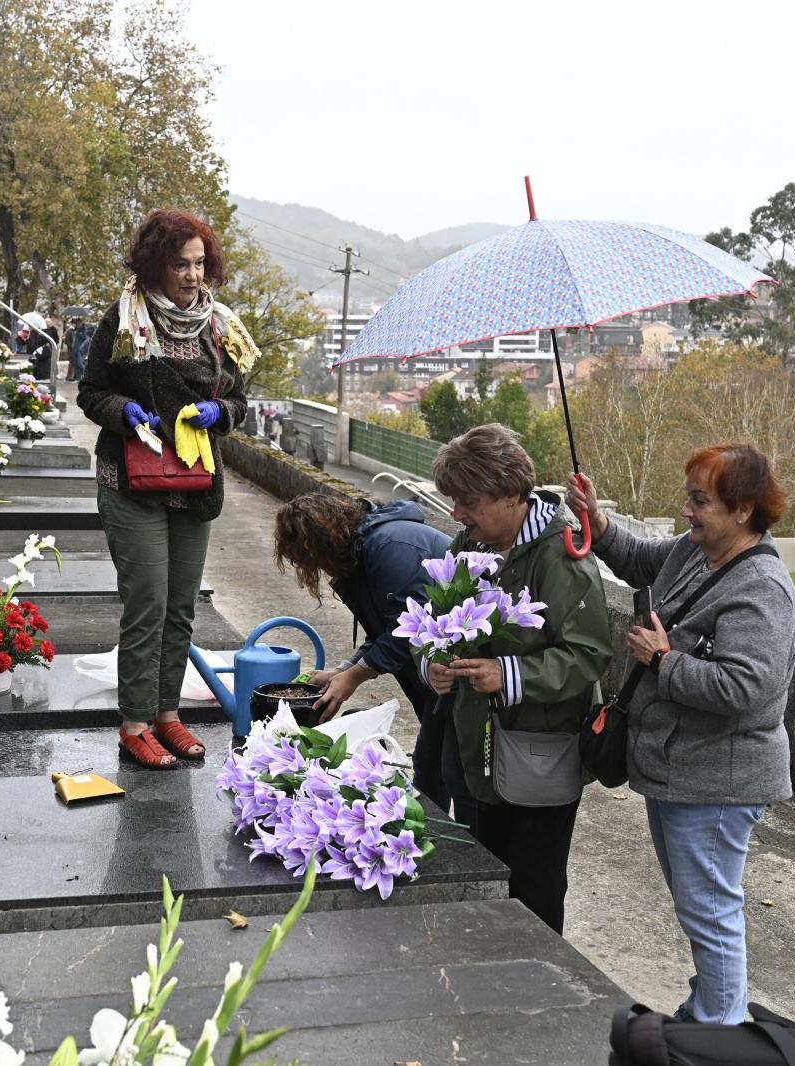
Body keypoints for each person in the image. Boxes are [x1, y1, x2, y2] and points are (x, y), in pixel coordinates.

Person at [566, 443, 795, 1025]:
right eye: (689, 498)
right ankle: (708, 1010)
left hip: (717, 782)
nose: (687, 511)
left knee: (711, 913)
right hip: (678, 771)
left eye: (700, 501)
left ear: (743, 510)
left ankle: (721, 1031)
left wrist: (663, 661)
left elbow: (747, 688)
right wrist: (596, 520)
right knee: (698, 908)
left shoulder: (762, 588)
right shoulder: (698, 552)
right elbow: (638, 559)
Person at [77, 209, 254, 769]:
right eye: (181, 264)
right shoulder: (124, 319)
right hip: (132, 482)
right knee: (147, 604)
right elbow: (91, 391)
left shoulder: (219, 325)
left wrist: (220, 413)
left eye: (200, 264)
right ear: (156, 265)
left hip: (195, 483)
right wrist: (124, 412)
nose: (193, 275)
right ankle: (134, 724)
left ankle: (167, 715)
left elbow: (239, 400)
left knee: (181, 608)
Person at [424, 424, 612, 934]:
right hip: (478, 749)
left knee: (534, 886)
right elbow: (435, 623)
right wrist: (434, 662)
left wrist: (508, 673)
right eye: (454, 501)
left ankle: (538, 973)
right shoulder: (470, 543)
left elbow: (589, 654)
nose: (456, 514)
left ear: (511, 495)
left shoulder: (562, 558)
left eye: (469, 501)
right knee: (489, 873)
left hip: (538, 754)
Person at [272, 492, 466, 814]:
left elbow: (409, 628)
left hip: (463, 669)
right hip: (439, 674)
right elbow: (383, 630)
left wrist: (354, 677)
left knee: (459, 773)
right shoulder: (360, 554)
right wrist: (343, 671)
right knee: (431, 765)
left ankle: (474, 844)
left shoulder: (389, 547)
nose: (312, 569)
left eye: (308, 559)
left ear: (321, 542)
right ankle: (433, 833)